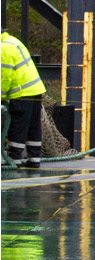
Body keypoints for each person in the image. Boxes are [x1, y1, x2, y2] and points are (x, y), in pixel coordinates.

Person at [1, 30, 46, 169]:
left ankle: (14, 159)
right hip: (35, 89)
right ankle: (34, 158)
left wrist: (1, 96)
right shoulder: (13, 41)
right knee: (33, 126)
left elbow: (5, 76)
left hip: (22, 92)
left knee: (18, 126)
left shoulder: (3, 48)